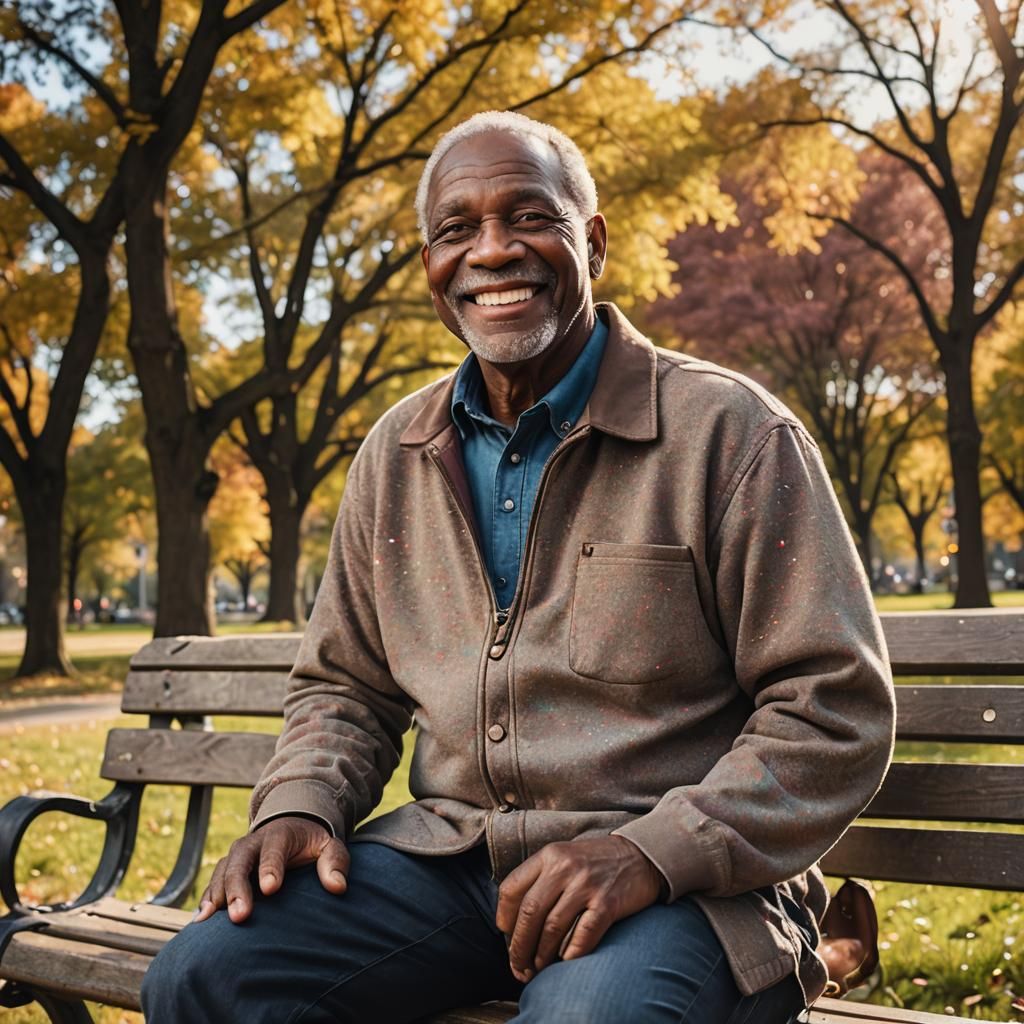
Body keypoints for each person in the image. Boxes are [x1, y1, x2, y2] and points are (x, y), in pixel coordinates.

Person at [142, 110, 895, 1024]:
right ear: (430, 264)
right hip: (451, 868)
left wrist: (652, 850)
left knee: (586, 1019)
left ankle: (815, 949)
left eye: (530, 217)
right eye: (456, 229)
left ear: (595, 241)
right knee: (201, 979)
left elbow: (831, 711)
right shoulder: (395, 453)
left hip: (688, 889)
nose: (492, 252)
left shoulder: (730, 434)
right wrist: (299, 803)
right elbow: (344, 687)